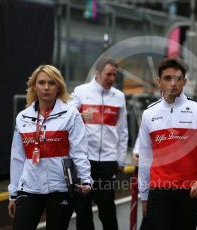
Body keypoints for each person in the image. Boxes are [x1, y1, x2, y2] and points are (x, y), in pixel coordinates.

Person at [7, 65, 92, 229]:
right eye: (42, 83)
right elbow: (17, 157)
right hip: (30, 188)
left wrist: (85, 180)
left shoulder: (71, 114)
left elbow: (79, 152)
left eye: (51, 83)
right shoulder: (22, 117)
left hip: (60, 188)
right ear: (34, 86)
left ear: (58, 86)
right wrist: (13, 193)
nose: (46, 87)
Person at [138, 58, 197, 230]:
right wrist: (144, 196)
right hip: (158, 191)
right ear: (158, 82)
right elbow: (145, 158)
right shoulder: (149, 114)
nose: (173, 83)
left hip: (188, 191)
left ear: (184, 82)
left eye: (178, 78)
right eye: (167, 78)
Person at [69, 58, 128, 230]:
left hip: (108, 161)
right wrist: (79, 115)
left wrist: (121, 159)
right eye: (108, 74)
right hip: (84, 160)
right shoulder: (81, 91)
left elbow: (123, 130)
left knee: (107, 205)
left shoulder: (119, 97)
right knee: (83, 208)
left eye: (115, 75)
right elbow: (65, 117)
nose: (112, 78)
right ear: (97, 73)